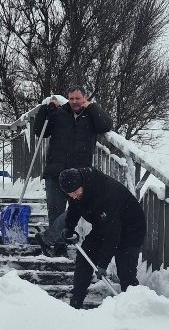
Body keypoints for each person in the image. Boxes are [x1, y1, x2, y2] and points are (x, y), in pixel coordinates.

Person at [33, 88, 113, 251]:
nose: (74, 101)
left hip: (79, 173)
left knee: (76, 208)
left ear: (85, 98)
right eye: (71, 98)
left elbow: (105, 125)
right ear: (67, 99)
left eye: (78, 98)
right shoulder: (59, 113)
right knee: (55, 210)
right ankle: (59, 246)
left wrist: (92, 107)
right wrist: (44, 110)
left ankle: (50, 238)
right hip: (56, 169)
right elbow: (40, 131)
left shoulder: (91, 115)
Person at [58, 166, 146, 309]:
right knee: (84, 255)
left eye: (75, 192)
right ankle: (76, 302)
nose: (73, 196)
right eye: (70, 194)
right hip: (104, 224)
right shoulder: (77, 191)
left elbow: (112, 233)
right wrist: (69, 227)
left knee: (125, 271)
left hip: (131, 228)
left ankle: (134, 309)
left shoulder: (106, 193)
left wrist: (103, 264)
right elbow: (75, 207)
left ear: (82, 185)